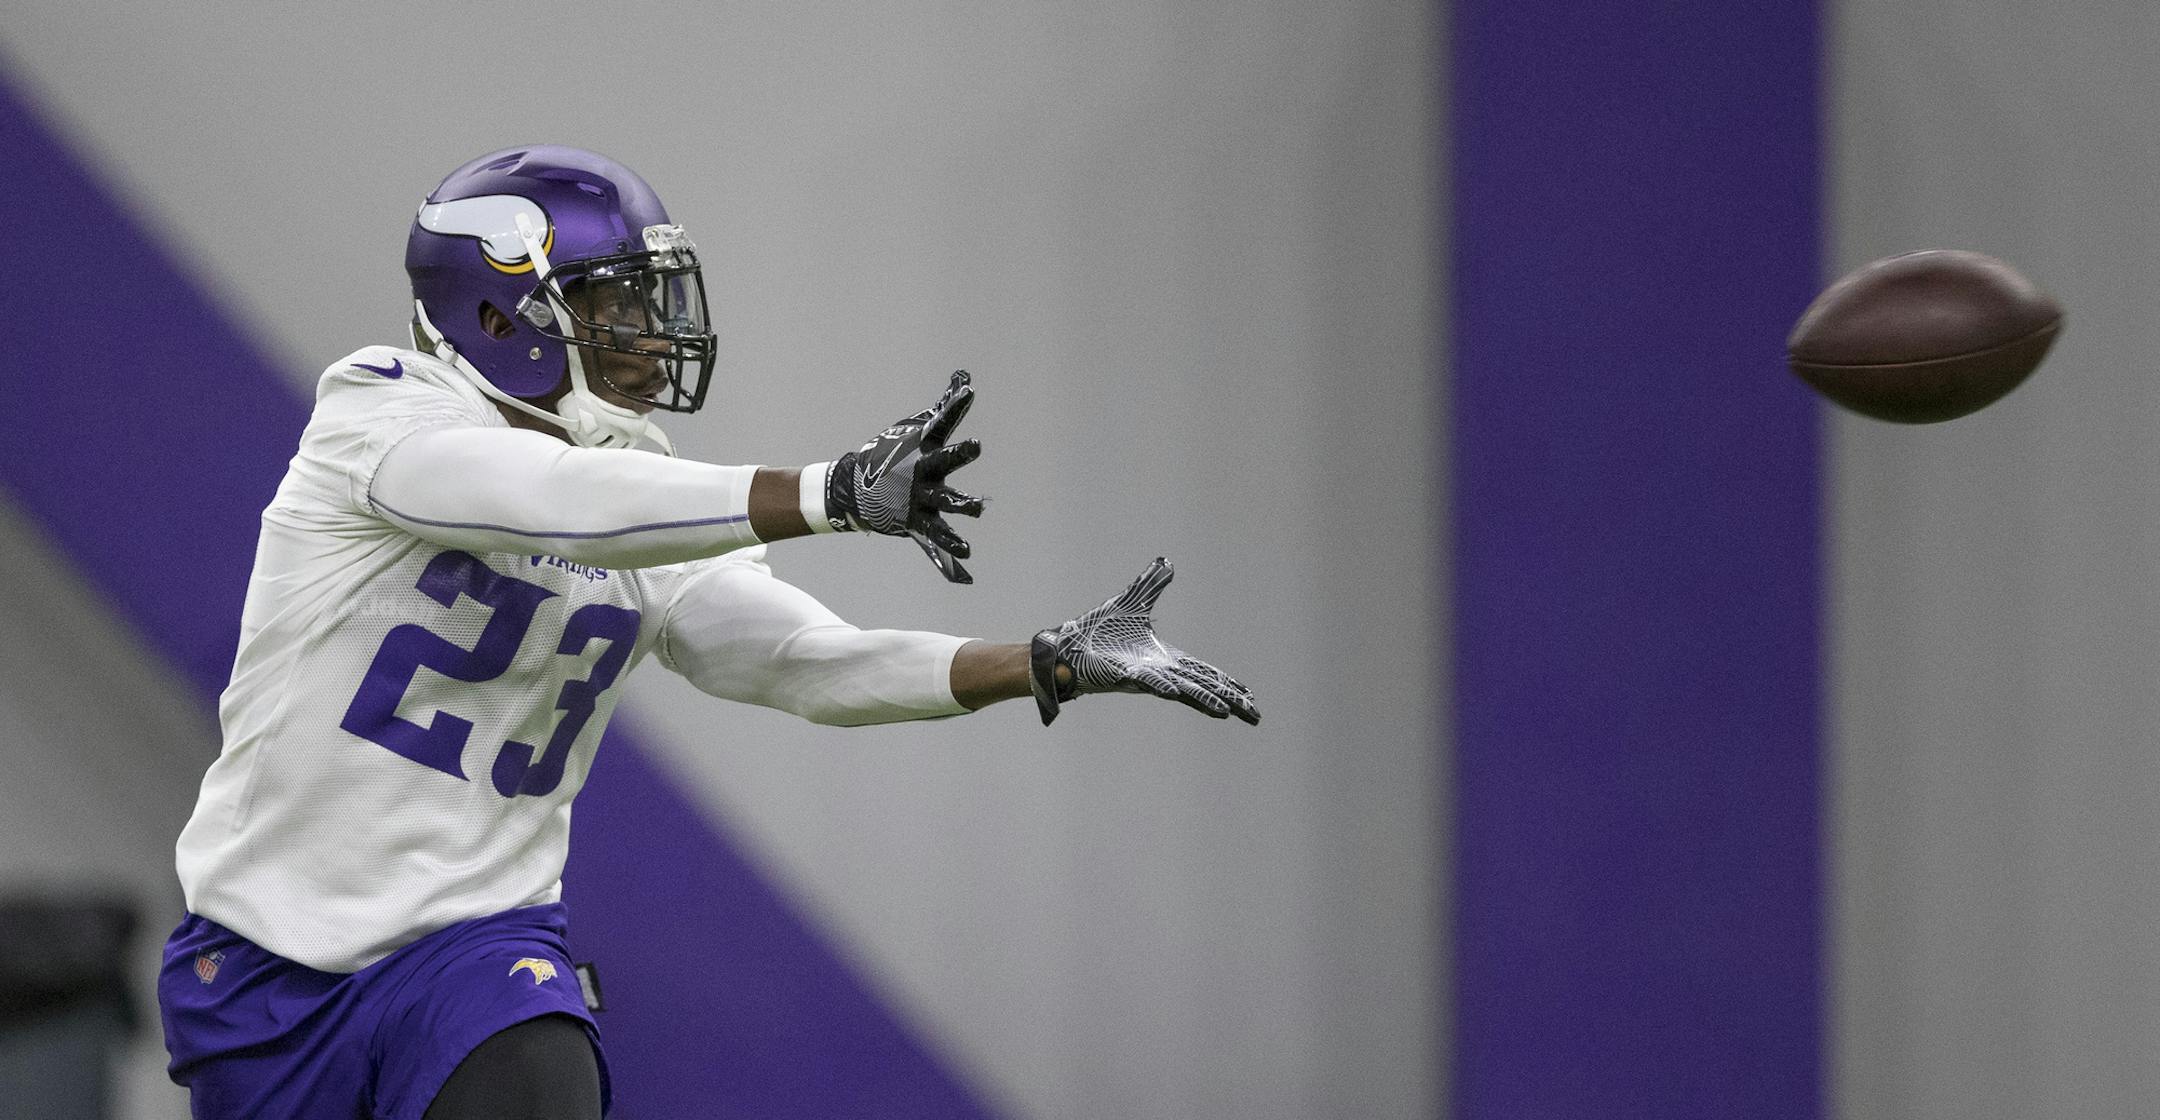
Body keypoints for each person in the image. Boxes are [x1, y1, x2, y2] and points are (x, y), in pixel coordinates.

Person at [154, 144, 1259, 1120]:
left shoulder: (645, 481)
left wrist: (1040, 660)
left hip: (476, 945)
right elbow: (544, 498)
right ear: (498, 316)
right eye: (612, 300)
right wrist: (828, 491)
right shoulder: (378, 411)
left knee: (539, 1062)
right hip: (270, 960)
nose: (649, 331)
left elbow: (799, 659)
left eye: (648, 298)